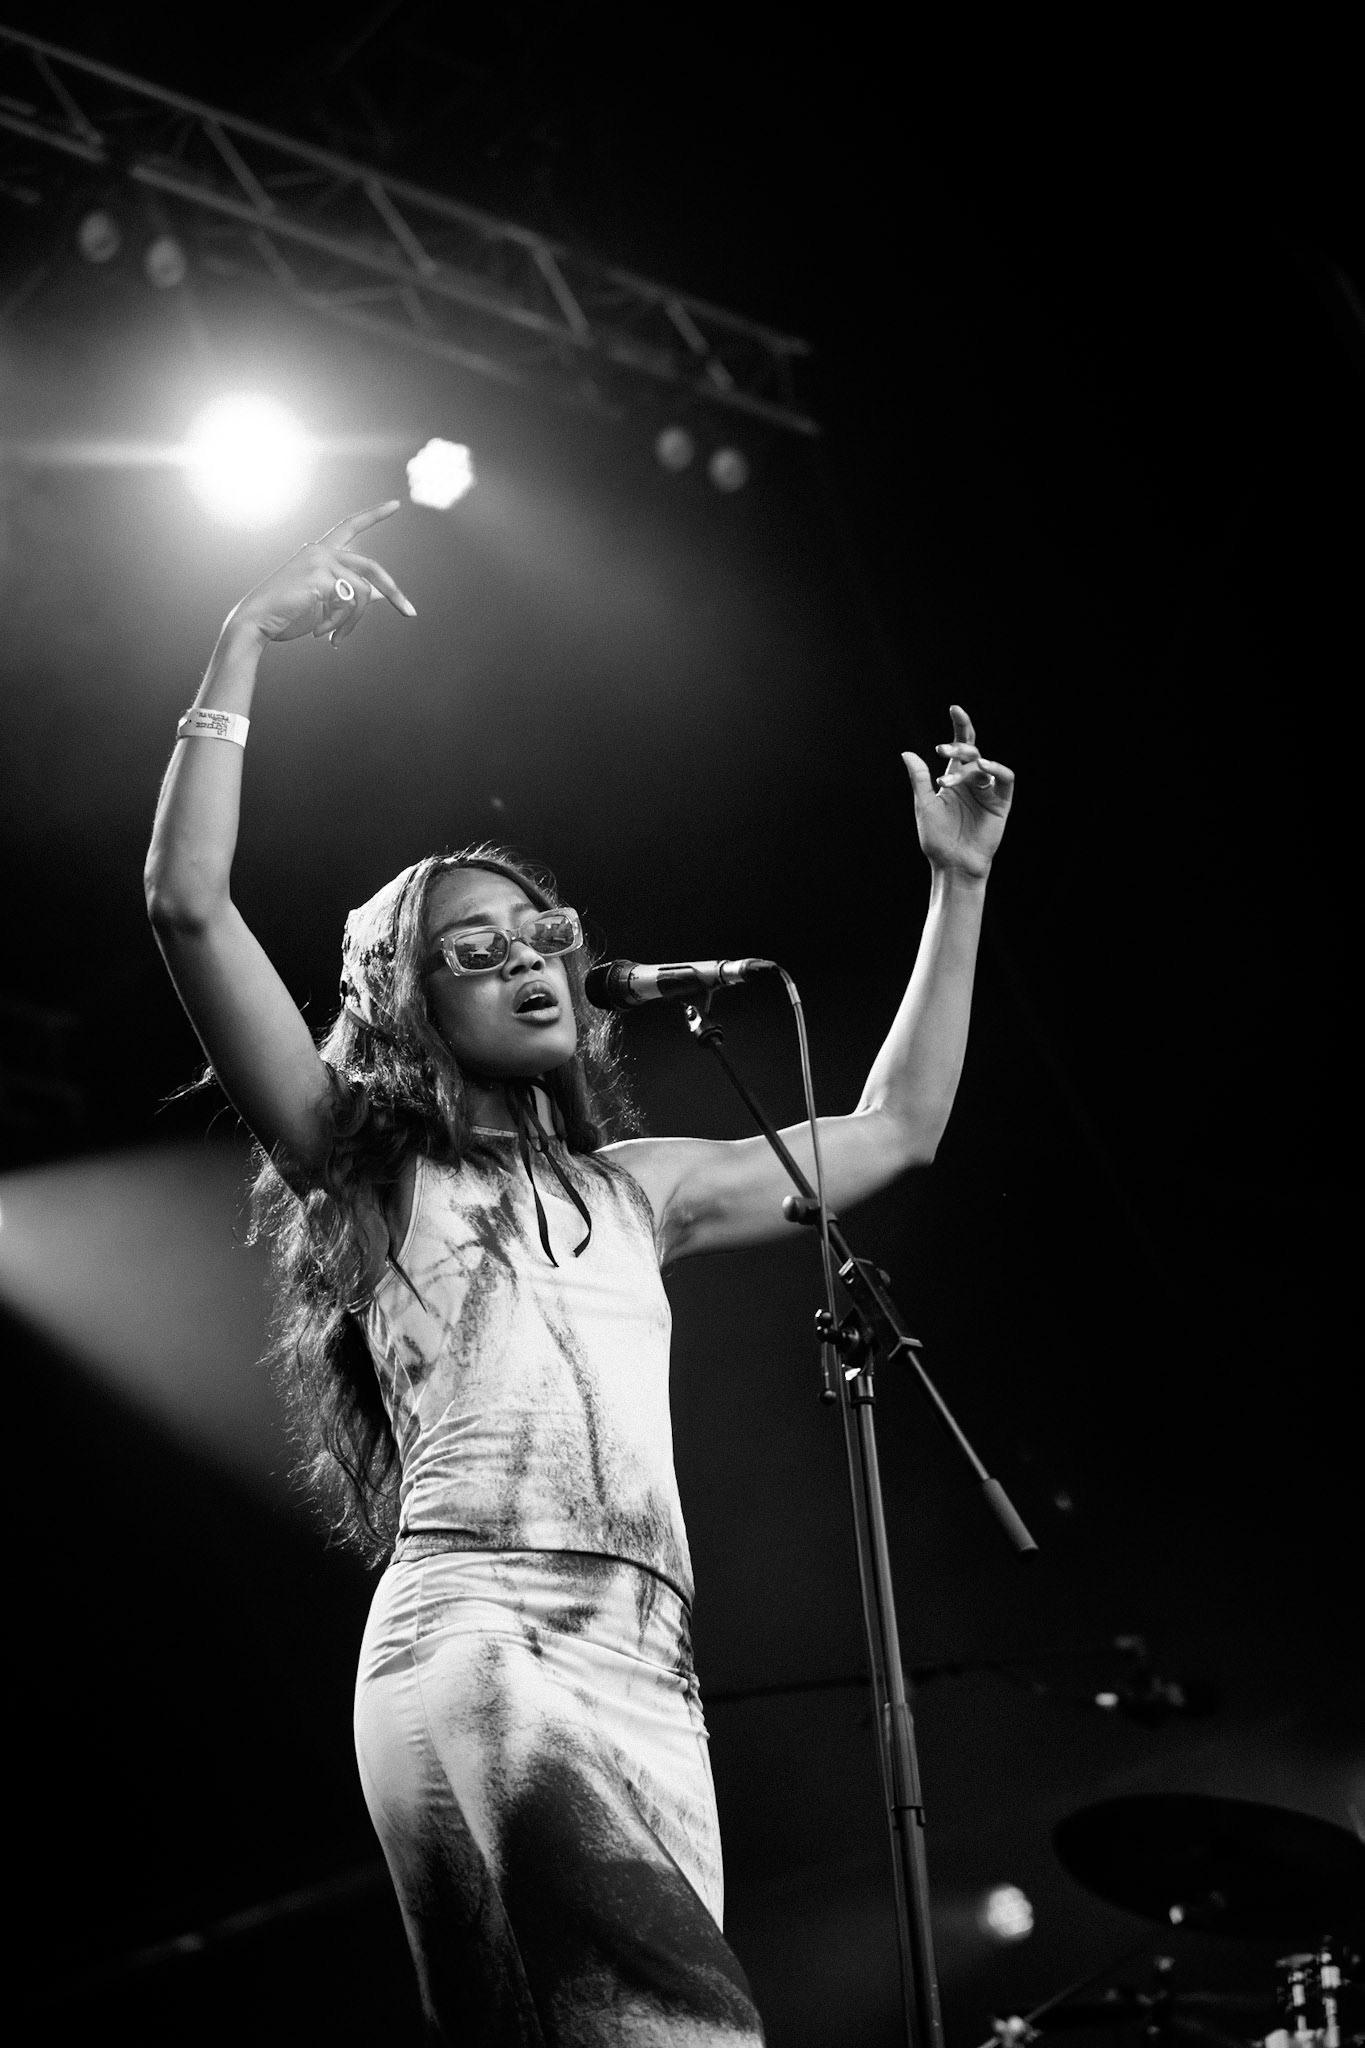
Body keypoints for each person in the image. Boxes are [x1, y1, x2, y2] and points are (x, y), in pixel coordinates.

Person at [144, 501, 1014, 2045]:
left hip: (651, 1668)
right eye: (471, 953)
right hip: (485, 1629)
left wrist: (954, 888)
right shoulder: (372, 1164)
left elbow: (895, 1133)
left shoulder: (639, 1191)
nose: (527, 963)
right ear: (405, 1005)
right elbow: (188, 906)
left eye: (537, 933)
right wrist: (239, 647)